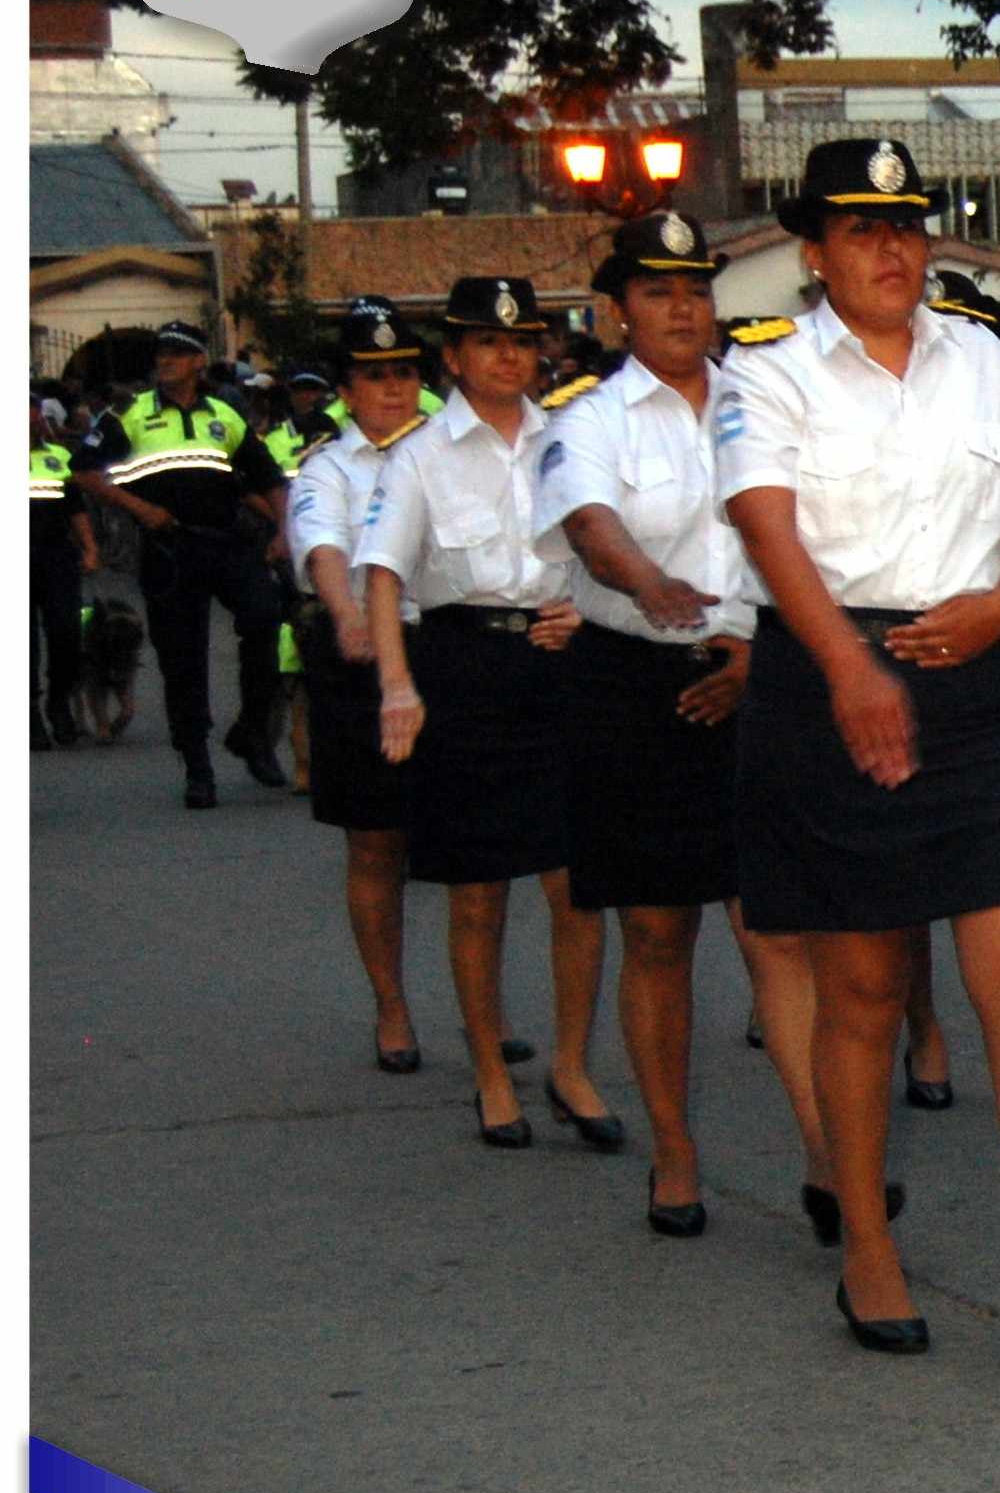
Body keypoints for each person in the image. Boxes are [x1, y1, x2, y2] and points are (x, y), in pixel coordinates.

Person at [718, 138, 1000, 1366]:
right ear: (814, 252)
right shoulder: (769, 373)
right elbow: (766, 525)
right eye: (861, 229)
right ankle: (866, 1244)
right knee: (863, 988)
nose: (891, 248)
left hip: (976, 691)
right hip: (833, 677)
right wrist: (855, 669)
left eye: (905, 225)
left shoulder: (985, 362)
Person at [534, 210, 827, 1238]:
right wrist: (651, 583)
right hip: (634, 681)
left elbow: (815, 531)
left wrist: (755, 648)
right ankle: (675, 1147)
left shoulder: (770, 401)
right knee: (657, 933)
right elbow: (589, 524)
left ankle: (829, 1150)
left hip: (764, 670)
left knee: (779, 928)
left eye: (695, 290)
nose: (681, 309)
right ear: (619, 311)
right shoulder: (589, 416)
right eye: (657, 293)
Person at [358, 279, 618, 1153]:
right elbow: (385, 573)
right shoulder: (420, 454)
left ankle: (572, 1064)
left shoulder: (572, 439)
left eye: (523, 341)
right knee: (478, 892)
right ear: (456, 358)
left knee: (576, 883)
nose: (510, 356)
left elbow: (606, 544)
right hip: (463, 666)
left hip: (558, 659)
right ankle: (490, 1070)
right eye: (488, 343)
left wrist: (587, 605)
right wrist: (400, 688)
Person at [286, 306, 438, 1074]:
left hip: (441, 648)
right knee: (377, 840)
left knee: (467, 846)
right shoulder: (327, 467)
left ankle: (482, 1009)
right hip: (360, 655)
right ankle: (392, 1004)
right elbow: (323, 546)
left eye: (405, 372)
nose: (392, 387)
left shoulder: (448, 452)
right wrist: (348, 616)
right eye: (375, 375)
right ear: (346, 389)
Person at [75, 321, 290, 804]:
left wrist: (282, 531)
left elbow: (269, 477)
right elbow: (84, 471)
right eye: (161, 353)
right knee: (182, 659)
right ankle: (197, 765)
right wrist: (140, 509)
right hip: (171, 548)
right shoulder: (130, 414)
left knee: (264, 619)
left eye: (177, 353)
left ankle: (253, 731)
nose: (165, 360)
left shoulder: (224, 415)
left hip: (228, 542)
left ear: (198, 362)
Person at [31, 393, 93, 749]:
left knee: (66, 633)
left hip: (57, 555)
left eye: (32, 410)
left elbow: (76, 508)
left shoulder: (58, 457)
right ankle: (30, 715)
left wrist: (90, 547)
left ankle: (59, 704)